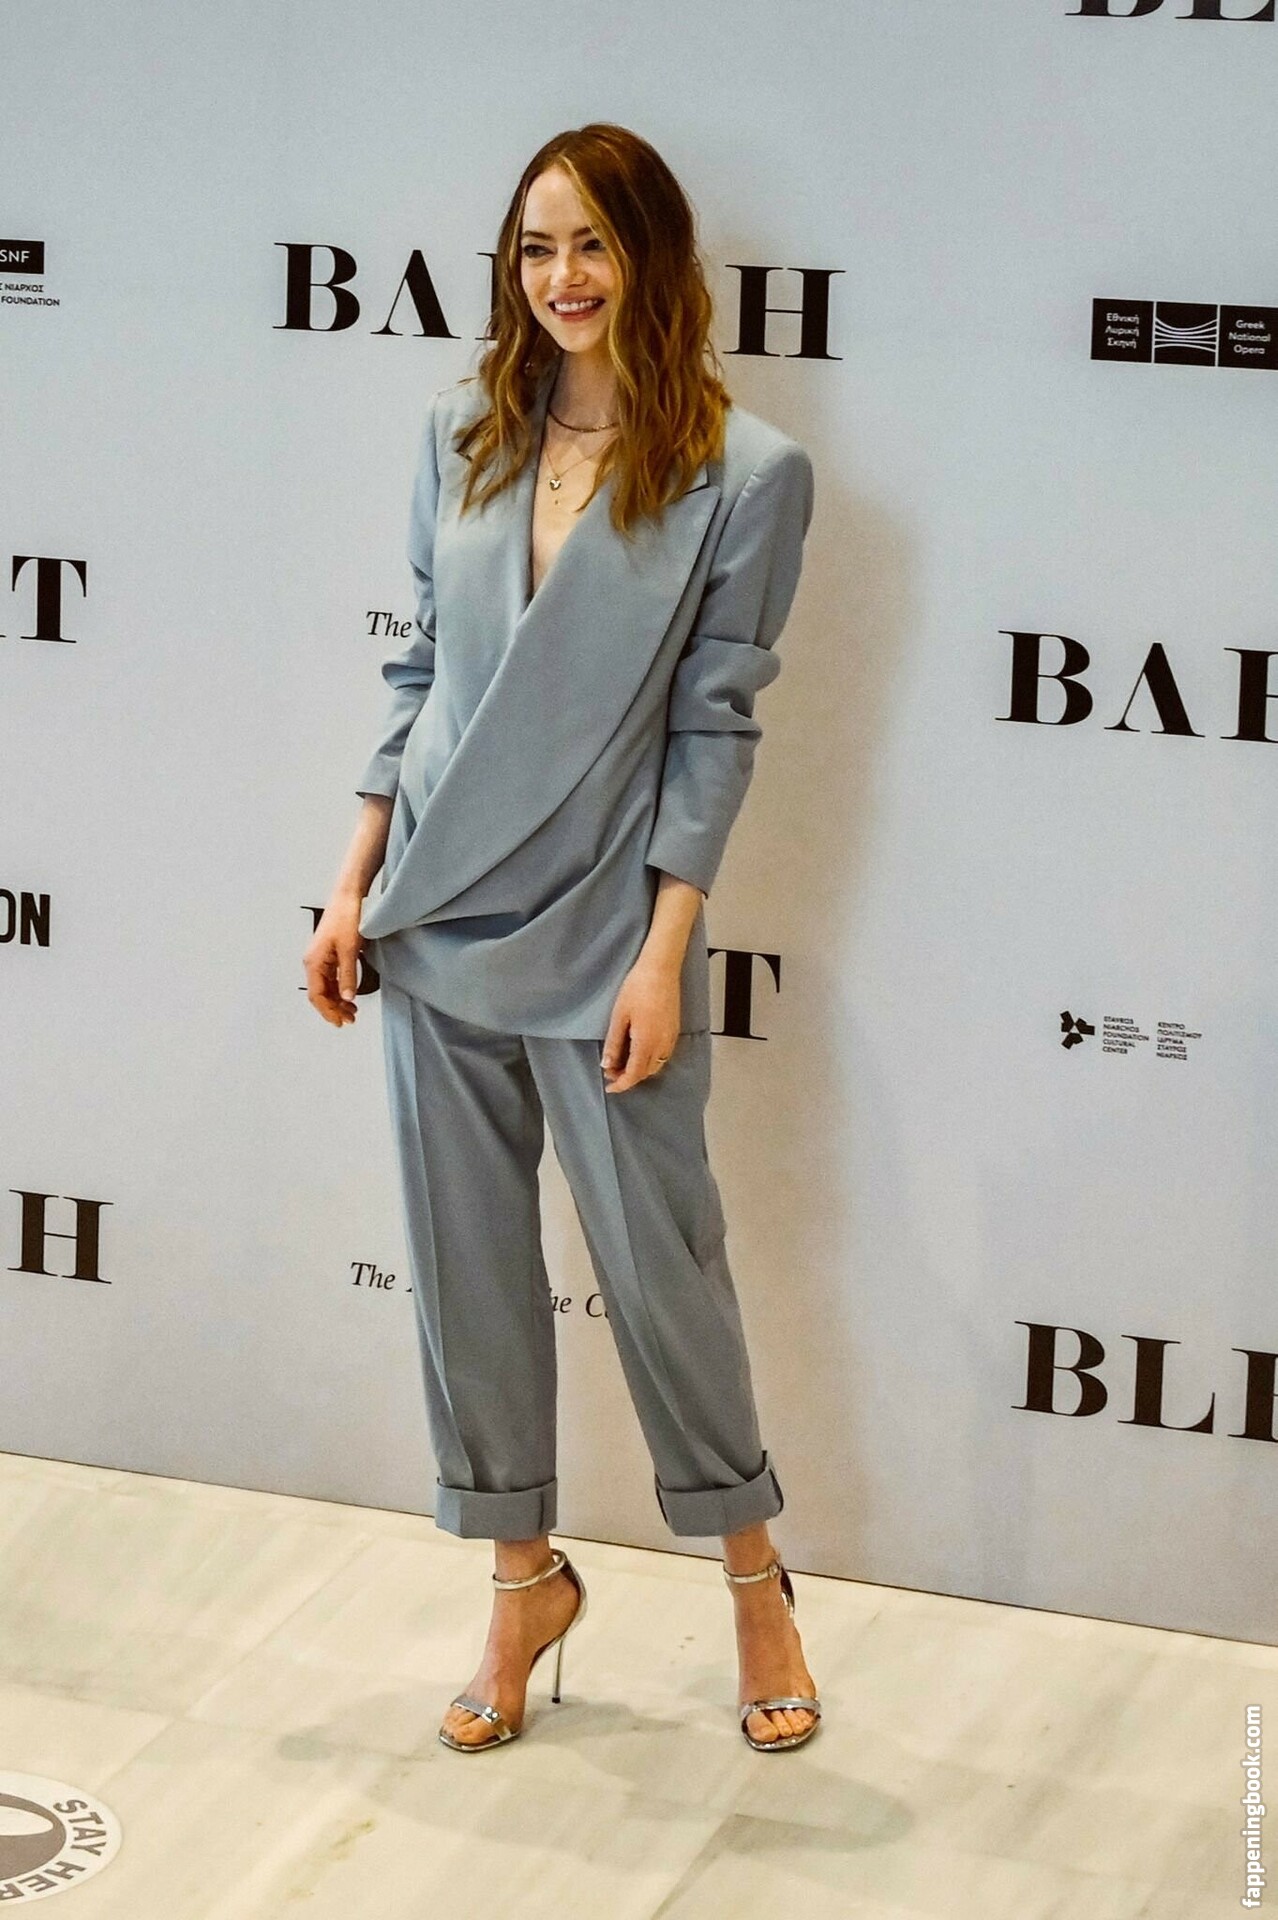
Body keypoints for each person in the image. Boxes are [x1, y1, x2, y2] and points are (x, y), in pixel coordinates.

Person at [305, 123, 821, 1755]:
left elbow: (712, 732)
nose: (562, 277)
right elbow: (420, 677)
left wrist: (665, 951)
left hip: (605, 929)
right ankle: (520, 1583)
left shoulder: (747, 473)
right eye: (535, 246)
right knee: (467, 1273)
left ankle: (754, 1580)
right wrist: (352, 882)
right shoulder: (460, 428)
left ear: (651, 256)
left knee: (663, 1276)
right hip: (432, 910)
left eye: (593, 242)